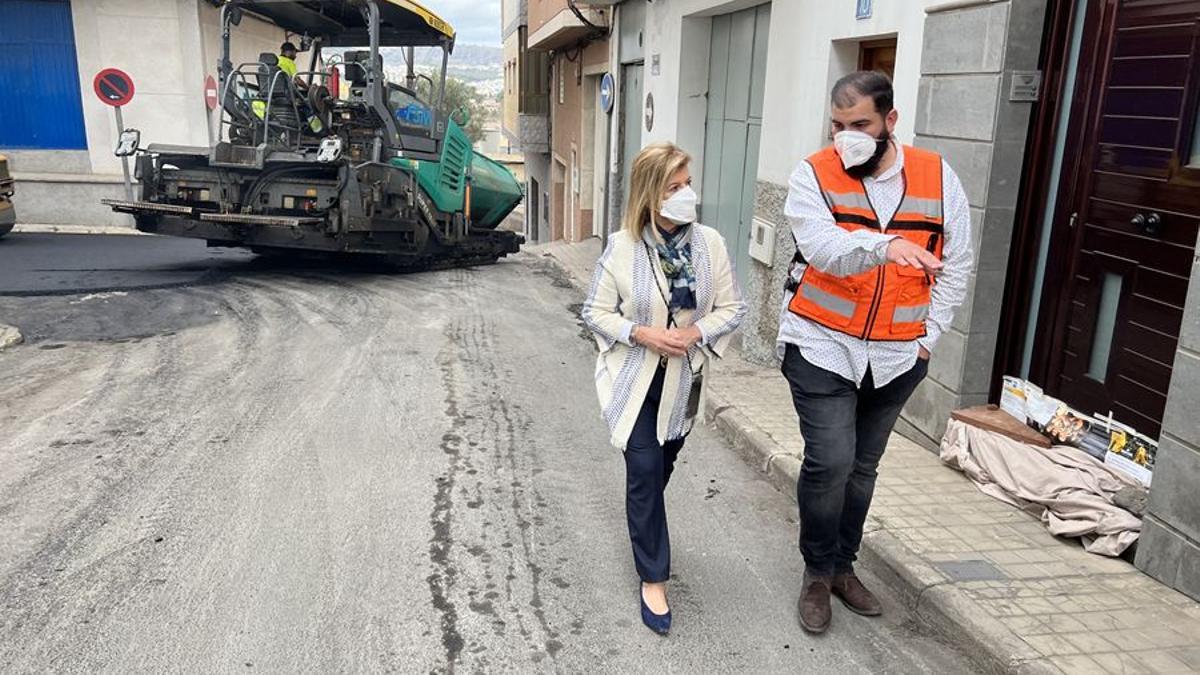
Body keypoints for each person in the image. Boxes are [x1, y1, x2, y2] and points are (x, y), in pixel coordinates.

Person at [778, 71, 973, 634]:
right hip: (821, 343)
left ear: (890, 121)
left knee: (863, 467)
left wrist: (926, 338)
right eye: (837, 126)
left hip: (896, 355)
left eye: (859, 124)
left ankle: (844, 566)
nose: (846, 137)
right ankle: (816, 572)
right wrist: (887, 246)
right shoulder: (812, 173)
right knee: (831, 461)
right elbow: (823, 248)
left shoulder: (939, 178)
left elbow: (956, 265)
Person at [582, 142, 746, 636]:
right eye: (673, 187)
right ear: (650, 195)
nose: (686, 194)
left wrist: (695, 333)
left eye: (687, 183)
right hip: (633, 379)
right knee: (645, 466)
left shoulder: (709, 244)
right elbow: (595, 311)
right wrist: (643, 333)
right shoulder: (622, 246)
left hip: (682, 384)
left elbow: (732, 308)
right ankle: (653, 577)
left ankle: (643, 511)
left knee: (657, 469)